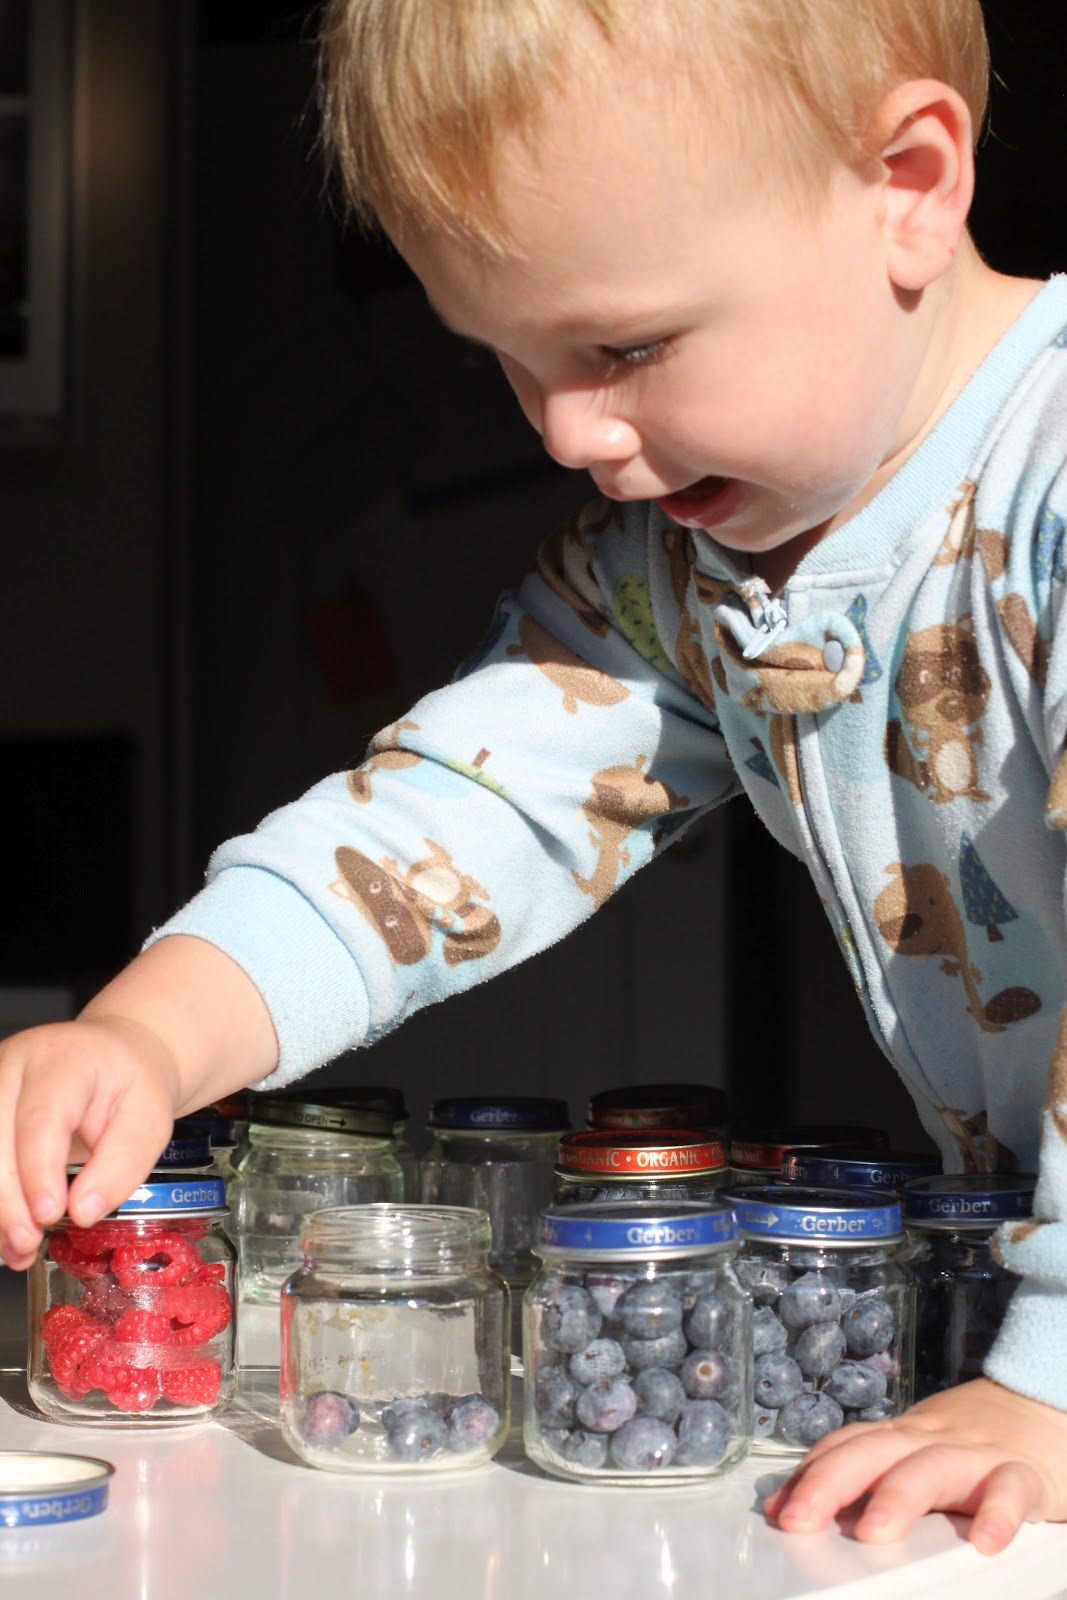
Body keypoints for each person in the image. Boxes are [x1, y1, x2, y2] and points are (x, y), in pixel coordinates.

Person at [3, 0, 1067, 1552]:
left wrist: (1052, 1381)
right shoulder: (681, 570)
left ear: (907, 183)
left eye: (626, 346)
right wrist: (149, 1031)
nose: (571, 430)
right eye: (511, 360)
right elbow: (458, 814)